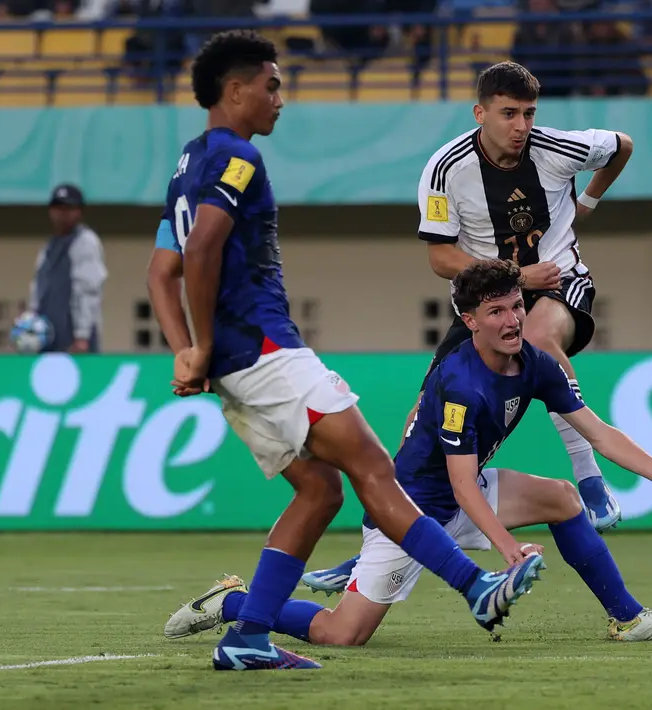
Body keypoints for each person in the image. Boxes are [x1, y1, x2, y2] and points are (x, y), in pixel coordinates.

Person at [146, 30, 546, 672]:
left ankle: (246, 634)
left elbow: (158, 271)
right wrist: (201, 345)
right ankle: (476, 587)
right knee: (374, 469)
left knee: (319, 493)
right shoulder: (237, 159)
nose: (281, 98)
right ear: (236, 89)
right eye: (272, 85)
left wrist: (188, 350)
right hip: (265, 352)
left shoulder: (185, 165)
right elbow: (199, 253)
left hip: (237, 365)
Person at [164, 260, 652, 646]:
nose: (513, 320)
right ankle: (231, 602)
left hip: (460, 497)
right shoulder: (461, 383)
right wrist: (506, 551)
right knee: (342, 633)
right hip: (410, 514)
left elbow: (598, 431)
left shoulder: (536, 362)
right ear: (470, 322)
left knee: (564, 498)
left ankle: (628, 618)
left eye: (517, 307)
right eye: (496, 312)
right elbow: (464, 485)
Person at [299, 61, 634, 595]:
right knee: (421, 424)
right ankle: (375, 551)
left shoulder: (557, 148)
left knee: (540, 338)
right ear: (481, 113)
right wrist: (514, 277)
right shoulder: (445, 168)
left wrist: (587, 200)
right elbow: (439, 258)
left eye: (528, 113)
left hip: (558, 283)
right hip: (488, 300)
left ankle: (590, 478)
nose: (521, 125)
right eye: (508, 114)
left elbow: (621, 145)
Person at [28, 183, 107, 353]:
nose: (63, 214)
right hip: (48, 338)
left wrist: (82, 335)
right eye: (58, 207)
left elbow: (88, 289)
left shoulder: (85, 241)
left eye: (69, 208)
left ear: (80, 211)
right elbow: (38, 289)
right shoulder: (49, 246)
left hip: (75, 340)